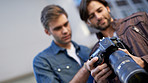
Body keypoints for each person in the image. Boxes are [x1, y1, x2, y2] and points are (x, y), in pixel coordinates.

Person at [71, 0, 148, 83]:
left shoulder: (139, 21)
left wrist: (143, 61)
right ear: (88, 23)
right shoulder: (96, 53)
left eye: (100, 10)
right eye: (91, 16)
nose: (98, 17)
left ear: (107, 8)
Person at [33, 4, 93, 83]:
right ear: (47, 32)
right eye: (58, 28)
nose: (65, 31)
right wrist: (85, 69)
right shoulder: (42, 61)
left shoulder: (86, 50)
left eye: (66, 24)